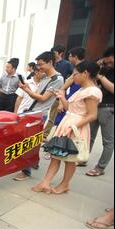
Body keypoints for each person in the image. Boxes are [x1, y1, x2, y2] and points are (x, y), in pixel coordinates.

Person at [31, 61, 102, 194]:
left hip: (76, 127)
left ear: (85, 73)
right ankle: (45, 182)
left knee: (70, 159)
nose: (73, 77)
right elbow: (70, 108)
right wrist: (62, 98)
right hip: (68, 123)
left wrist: (73, 126)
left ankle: (64, 185)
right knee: (56, 155)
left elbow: (92, 115)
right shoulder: (82, 89)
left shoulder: (92, 91)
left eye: (75, 74)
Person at [13, 51, 64, 181]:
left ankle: (26, 171)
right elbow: (36, 94)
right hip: (31, 112)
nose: (39, 67)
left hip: (38, 115)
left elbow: (42, 98)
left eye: (41, 64)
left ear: (50, 62)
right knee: (32, 142)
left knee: (27, 143)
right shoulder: (45, 77)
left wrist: (26, 90)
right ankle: (33, 162)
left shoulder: (57, 79)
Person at [86, 47, 114, 177]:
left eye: (110, 62)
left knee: (107, 141)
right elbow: (95, 84)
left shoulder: (104, 73)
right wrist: (97, 66)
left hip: (110, 108)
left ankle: (100, 167)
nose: (108, 65)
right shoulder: (104, 69)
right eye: (106, 62)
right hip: (97, 105)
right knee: (89, 136)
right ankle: (83, 157)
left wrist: (101, 77)